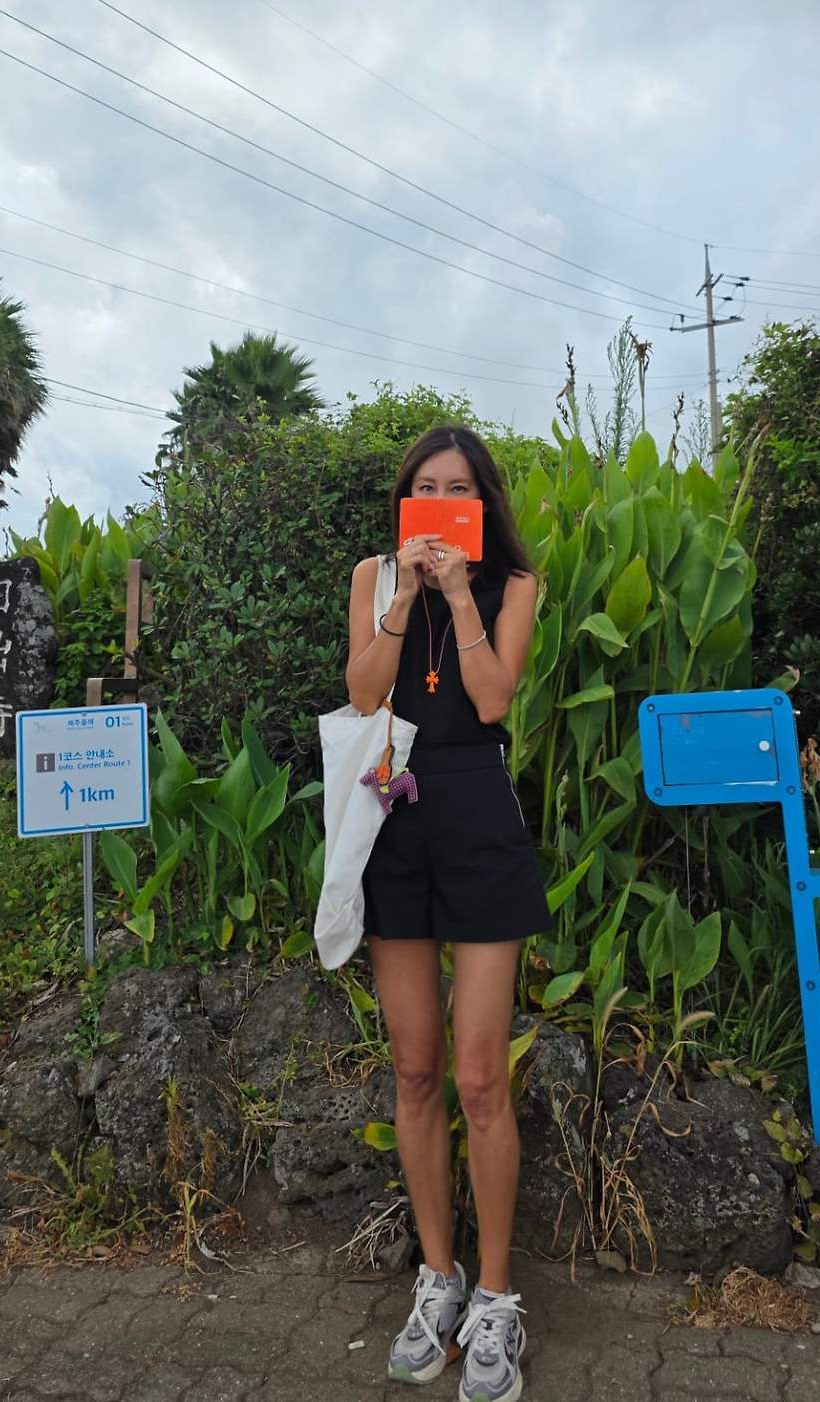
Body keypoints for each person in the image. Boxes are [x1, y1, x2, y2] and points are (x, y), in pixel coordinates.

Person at [345, 424, 550, 1400]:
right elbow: (361, 694)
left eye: (456, 489)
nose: (437, 505)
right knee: (416, 1068)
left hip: (477, 814)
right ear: (404, 500)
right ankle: (438, 1278)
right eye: (422, 489)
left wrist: (461, 593)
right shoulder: (372, 576)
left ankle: (497, 1297)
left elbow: (494, 699)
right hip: (392, 811)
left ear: (481, 501)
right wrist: (400, 599)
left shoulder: (514, 584)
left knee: (478, 1076)